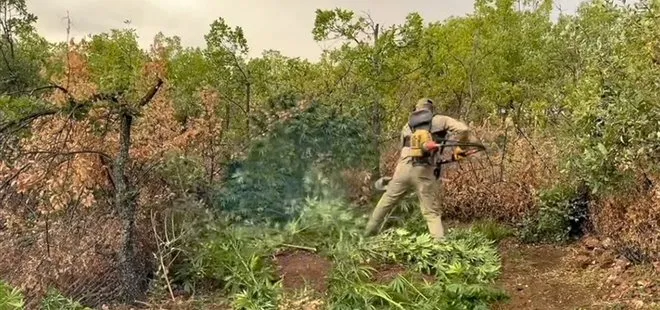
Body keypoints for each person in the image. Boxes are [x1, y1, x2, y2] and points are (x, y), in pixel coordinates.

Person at [364, 98, 481, 240]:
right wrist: (460, 147)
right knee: (431, 213)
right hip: (424, 172)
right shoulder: (440, 120)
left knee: (386, 202)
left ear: (416, 109)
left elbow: (404, 149)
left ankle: (367, 234)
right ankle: (440, 246)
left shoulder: (407, 126)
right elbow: (464, 129)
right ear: (431, 109)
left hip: (403, 169)